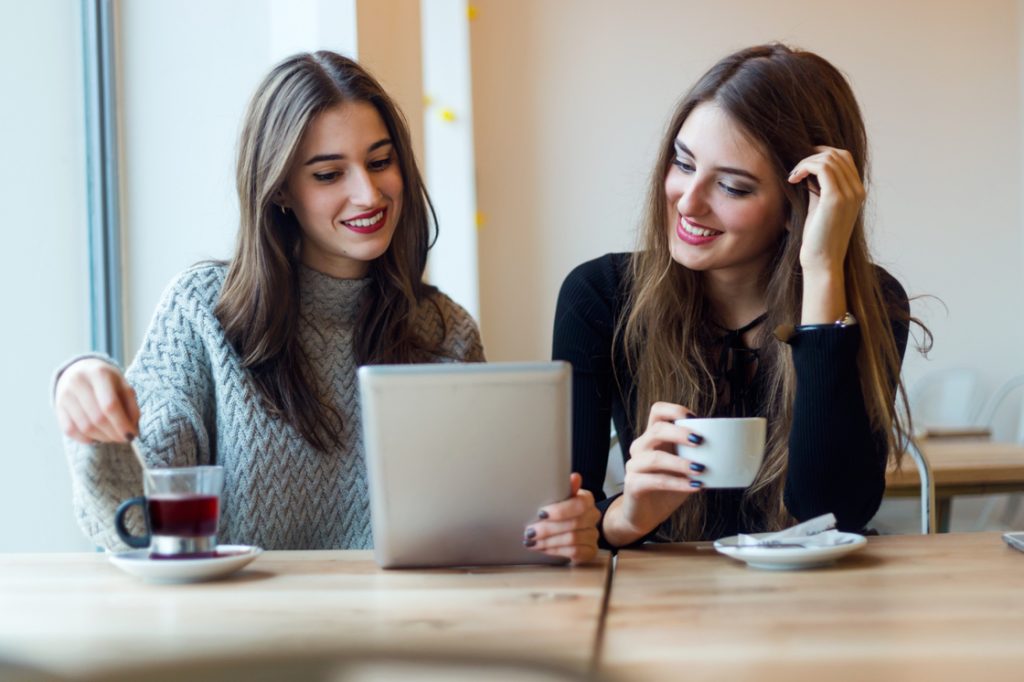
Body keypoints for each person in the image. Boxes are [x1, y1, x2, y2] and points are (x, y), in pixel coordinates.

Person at [55, 51, 599, 562]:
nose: (368, 194)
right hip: (243, 648)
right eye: (328, 173)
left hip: (406, 641)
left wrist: (553, 528)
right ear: (281, 191)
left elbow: (482, 530)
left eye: (380, 161)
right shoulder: (203, 311)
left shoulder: (444, 329)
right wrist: (88, 411)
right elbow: (135, 527)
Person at [553, 44, 924, 548]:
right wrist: (628, 516)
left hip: (819, 604)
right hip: (661, 607)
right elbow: (565, 520)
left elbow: (836, 515)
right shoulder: (600, 295)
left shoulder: (870, 300)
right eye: (683, 163)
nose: (688, 200)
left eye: (731, 186)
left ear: (800, 205)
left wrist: (819, 272)